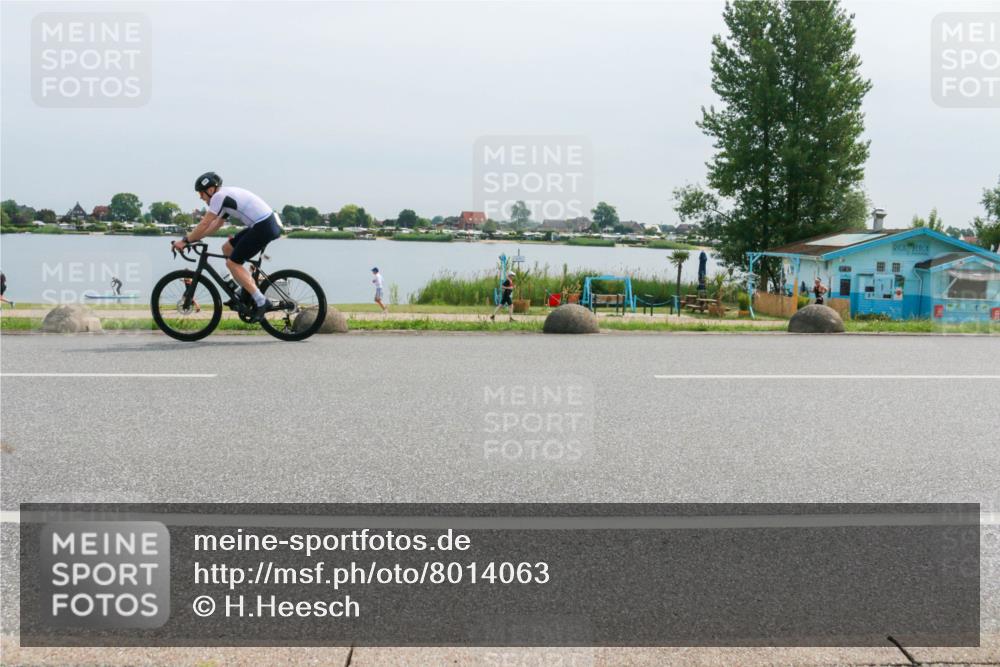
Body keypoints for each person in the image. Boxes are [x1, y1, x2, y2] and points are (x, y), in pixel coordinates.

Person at [173, 172, 283, 322]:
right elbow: (214, 226)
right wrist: (194, 239)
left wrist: (185, 240)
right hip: (263, 224)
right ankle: (244, 292)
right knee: (227, 249)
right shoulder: (224, 198)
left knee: (233, 263)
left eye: (201, 193)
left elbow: (204, 223)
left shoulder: (218, 197)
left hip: (263, 226)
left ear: (210, 190)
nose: (200, 197)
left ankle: (262, 301)